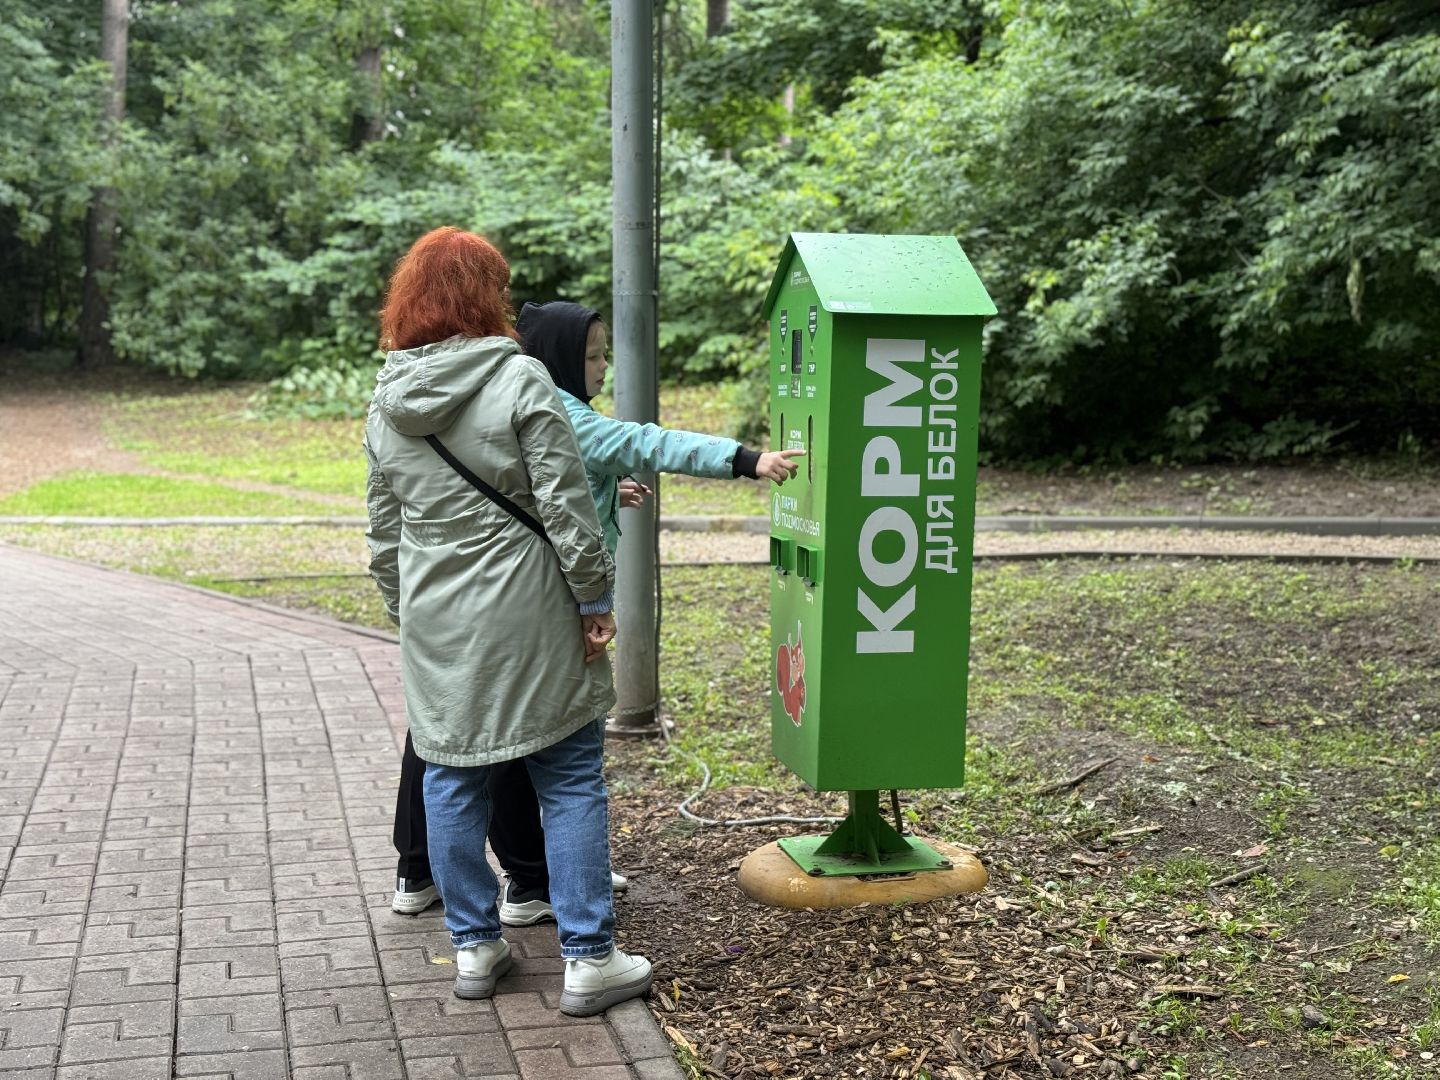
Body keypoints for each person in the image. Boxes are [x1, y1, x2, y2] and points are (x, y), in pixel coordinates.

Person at [391, 297, 802, 928]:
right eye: (591, 355)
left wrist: (608, 490)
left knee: (452, 749)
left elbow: (525, 489)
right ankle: (540, 890)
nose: (603, 366)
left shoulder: (418, 402)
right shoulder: (548, 404)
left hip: (441, 610)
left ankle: (451, 897)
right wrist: (748, 460)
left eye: (604, 352)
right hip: (532, 605)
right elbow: (640, 442)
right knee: (554, 767)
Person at [365, 228, 651, 1016]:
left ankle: (475, 945)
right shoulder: (520, 378)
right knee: (567, 777)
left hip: (437, 616)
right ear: (484, 298)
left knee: (452, 777)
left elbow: (382, 533)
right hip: (530, 608)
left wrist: (406, 612)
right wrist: (593, 599)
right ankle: (590, 958)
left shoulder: (386, 402)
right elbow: (564, 504)